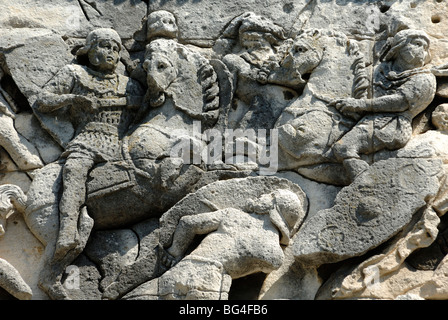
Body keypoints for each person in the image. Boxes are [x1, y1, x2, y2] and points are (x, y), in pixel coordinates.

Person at [35, 28, 144, 260]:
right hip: (87, 138)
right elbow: (43, 100)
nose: (111, 53)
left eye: (116, 49)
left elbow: (146, 113)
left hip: (120, 143)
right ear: (90, 49)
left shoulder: (129, 85)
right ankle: (67, 230)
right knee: (74, 170)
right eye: (105, 46)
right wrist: (74, 99)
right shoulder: (75, 74)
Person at [122, 189, 306, 300]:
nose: (263, 196)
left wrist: (174, 253)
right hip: (215, 287)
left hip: (190, 269)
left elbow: (187, 223)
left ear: (271, 205)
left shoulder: (232, 215)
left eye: (268, 195)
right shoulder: (275, 255)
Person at [329, 29, 436, 181]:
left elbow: (399, 102)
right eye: (417, 44)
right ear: (399, 46)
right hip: (367, 118)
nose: (422, 51)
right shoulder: (380, 70)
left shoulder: (424, 78)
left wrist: (360, 105)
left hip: (391, 125)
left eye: (425, 48)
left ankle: (365, 183)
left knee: (344, 147)